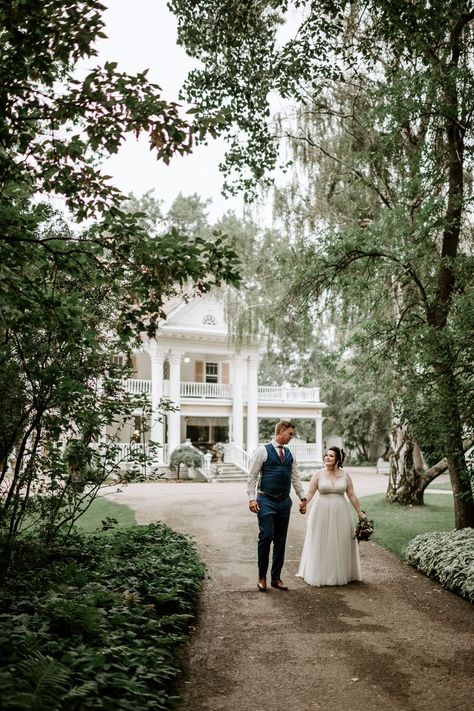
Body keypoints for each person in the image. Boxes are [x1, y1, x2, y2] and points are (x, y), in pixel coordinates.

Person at [247, 420, 307, 592]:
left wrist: (302, 497)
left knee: (281, 541)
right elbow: (252, 476)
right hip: (266, 500)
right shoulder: (263, 450)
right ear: (281, 431)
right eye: (290, 434)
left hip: (284, 502)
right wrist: (252, 499)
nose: (291, 438)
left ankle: (276, 578)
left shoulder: (289, 454)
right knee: (266, 536)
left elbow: (295, 477)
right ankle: (261, 577)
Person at [296, 447, 364, 587]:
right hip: (321, 511)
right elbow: (310, 493)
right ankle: (320, 573)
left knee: (341, 540)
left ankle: (342, 572)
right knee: (322, 539)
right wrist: (304, 503)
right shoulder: (318, 474)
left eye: (331, 456)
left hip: (341, 511)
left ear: (337, 459)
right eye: (326, 455)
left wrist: (359, 512)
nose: (327, 458)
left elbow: (351, 495)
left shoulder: (345, 475)